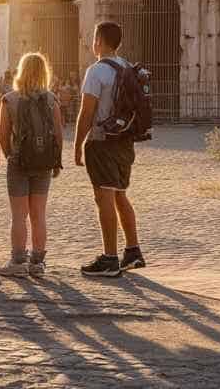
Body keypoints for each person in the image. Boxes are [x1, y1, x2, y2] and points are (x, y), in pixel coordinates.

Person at [75, 21, 145, 278]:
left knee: (103, 197)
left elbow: (86, 112)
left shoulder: (96, 71)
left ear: (100, 41)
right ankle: (133, 250)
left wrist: (78, 144)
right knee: (119, 194)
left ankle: (110, 257)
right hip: (125, 140)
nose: (93, 43)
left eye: (94, 39)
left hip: (102, 140)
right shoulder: (128, 68)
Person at [0, 52, 63, 278]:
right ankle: (37, 262)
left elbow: (1, 135)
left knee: (18, 215)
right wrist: (55, 161)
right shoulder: (52, 99)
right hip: (43, 162)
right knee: (39, 214)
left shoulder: (10, 99)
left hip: (19, 162)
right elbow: (58, 134)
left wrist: (10, 155)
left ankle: (17, 261)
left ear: (21, 71)